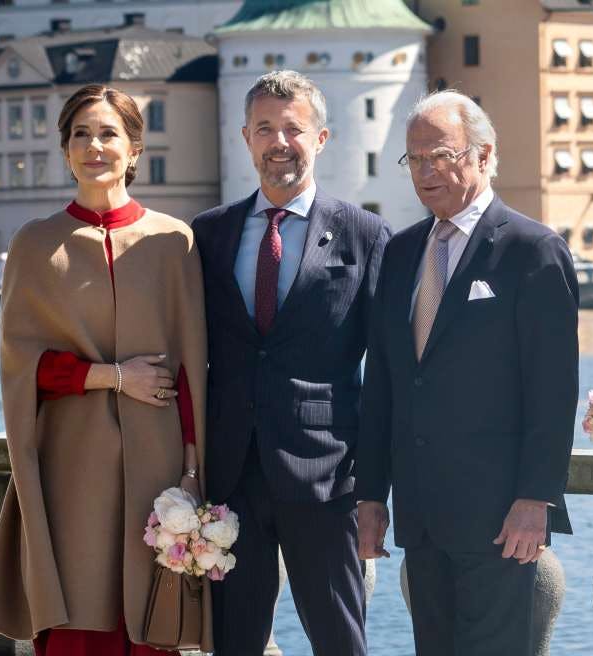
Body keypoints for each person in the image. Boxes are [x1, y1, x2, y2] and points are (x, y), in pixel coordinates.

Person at [0, 84, 210, 655]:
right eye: (80, 134)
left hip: (157, 470)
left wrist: (191, 471)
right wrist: (113, 377)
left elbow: (191, 372)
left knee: (153, 624)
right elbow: (21, 367)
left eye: (108, 133)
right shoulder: (36, 245)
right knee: (79, 626)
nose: (94, 146)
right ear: (65, 150)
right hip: (70, 469)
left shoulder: (174, 242)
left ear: (134, 149)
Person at [355, 90, 579, 656]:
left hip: (502, 518)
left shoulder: (533, 250)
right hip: (420, 516)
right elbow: (383, 384)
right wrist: (370, 495)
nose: (426, 171)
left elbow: (554, 393)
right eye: (414, 159)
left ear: (484, 155)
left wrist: (536, 499)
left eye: (441, 155)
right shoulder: (400, 252)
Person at [190, 70, 390, 656]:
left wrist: (374, 489)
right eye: (264, 129)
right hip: (230, 476)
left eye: (294, 129)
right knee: (232, 643)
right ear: (245, 139)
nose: (280, 142)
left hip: (326, 478)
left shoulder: (365, 234)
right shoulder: (209, 234)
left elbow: (386, 372)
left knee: (340, 641)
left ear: (321, 138)